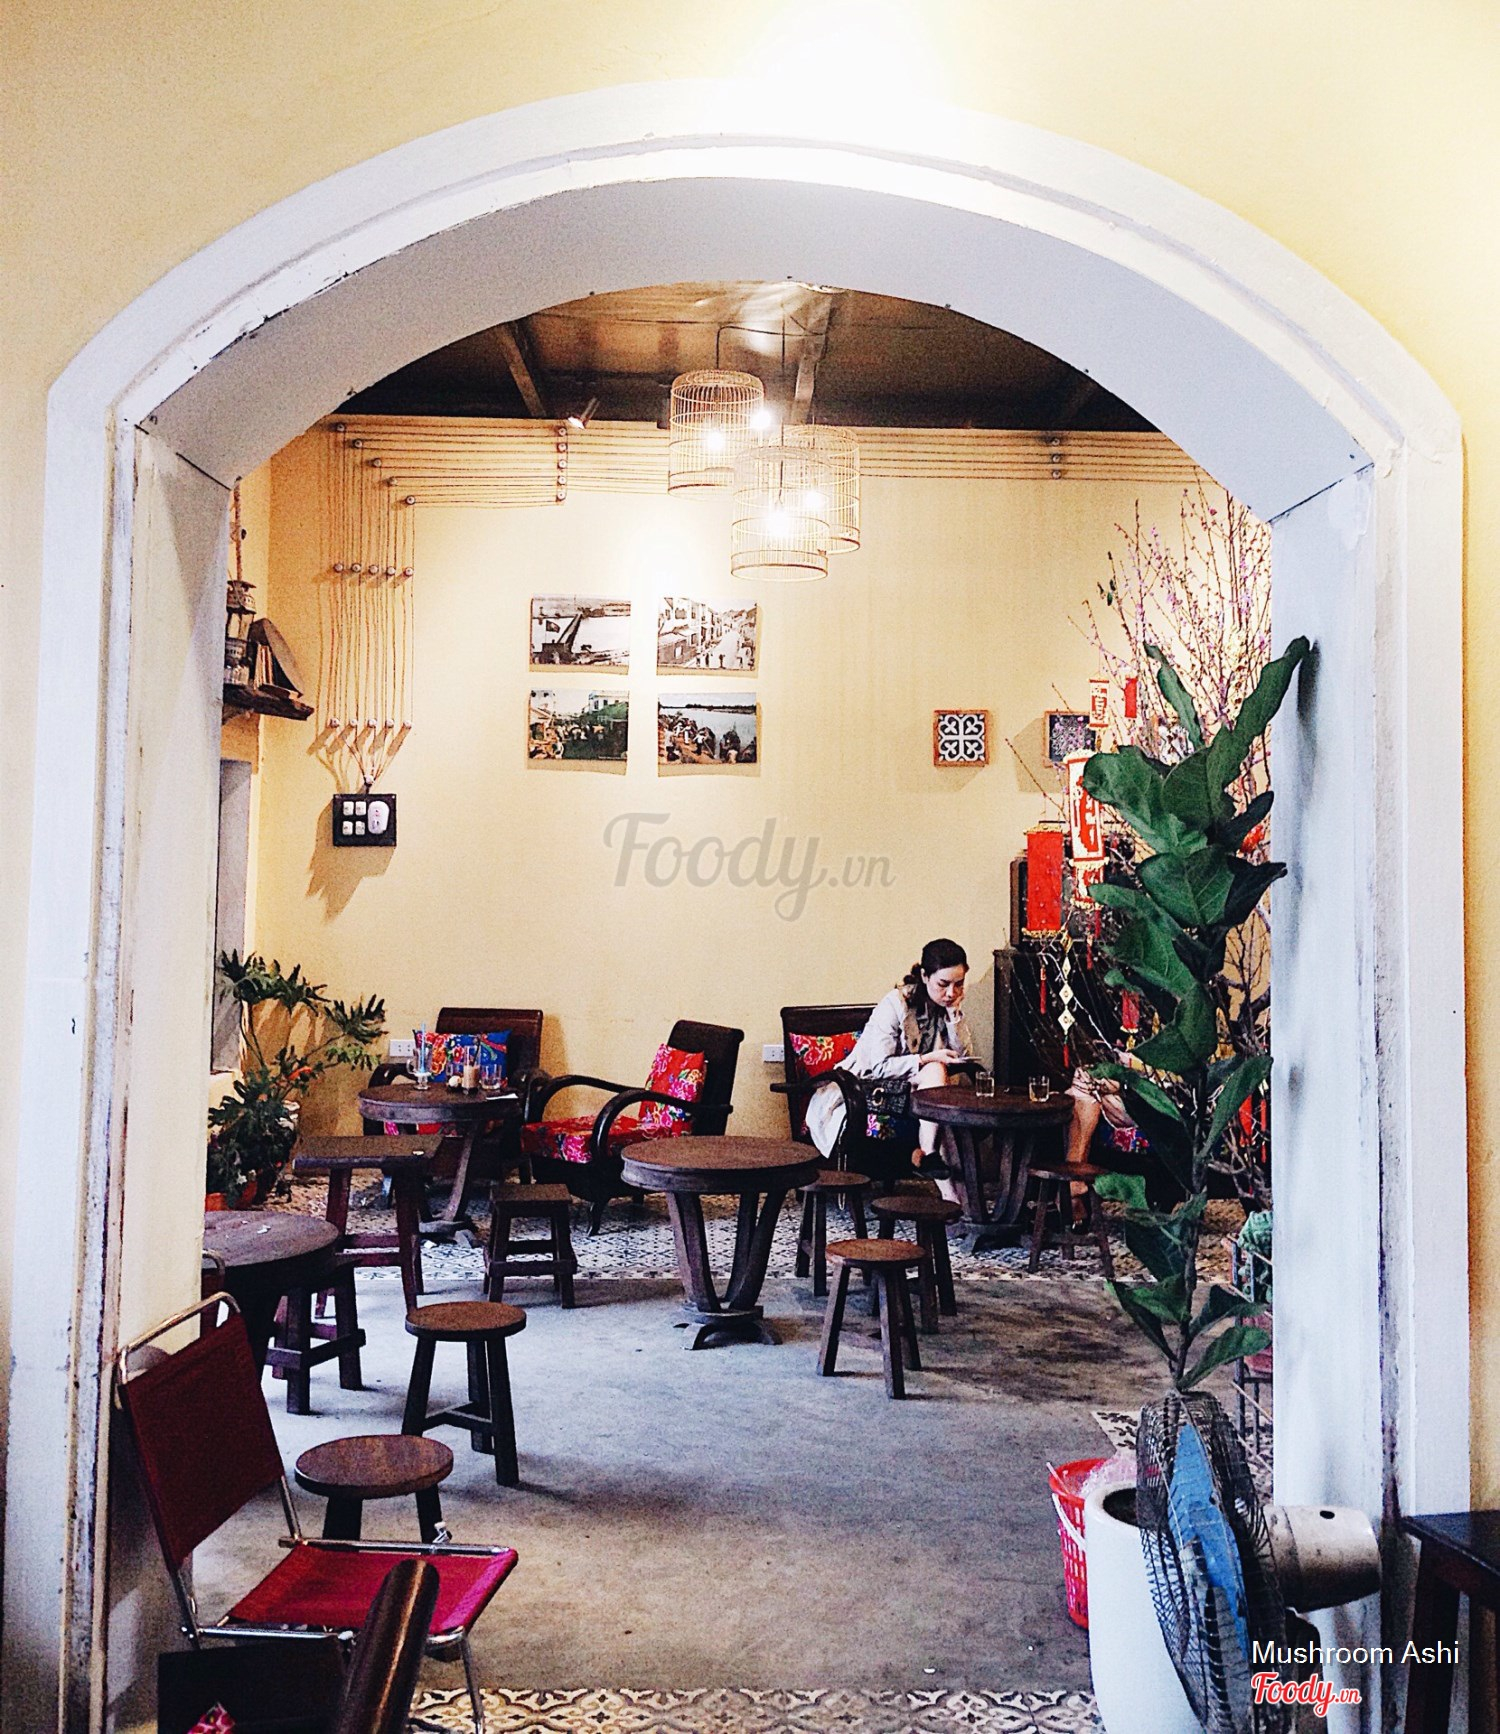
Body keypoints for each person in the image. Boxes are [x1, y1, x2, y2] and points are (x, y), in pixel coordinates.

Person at [804, 938, 975, 1190]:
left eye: (958, 984)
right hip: (866, 1088)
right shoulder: (895, 1004)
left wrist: (954, 1017)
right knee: (936, 1077)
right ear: (925, 976)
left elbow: (962, 1058)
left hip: (917, 1092)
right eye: (943, 984)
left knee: (940, 1094)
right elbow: (879, 1067)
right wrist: (927, 1058)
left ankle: (936, 1171)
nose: (951, 993)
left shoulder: (947, 1006)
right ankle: (942, 1181)